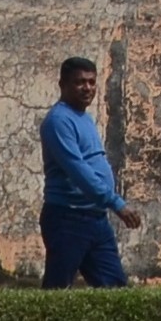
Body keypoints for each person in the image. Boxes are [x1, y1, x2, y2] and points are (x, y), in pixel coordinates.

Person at [40, 57, 131, 288]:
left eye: (91, 82)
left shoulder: (84, 118)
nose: (87, 88)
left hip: (95, 218)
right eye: (80, 82)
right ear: (63, 85)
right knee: (56, 292)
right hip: (68, 218)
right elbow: (78, 170)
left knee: (115, 291)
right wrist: (116, 203)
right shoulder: (58, 121)